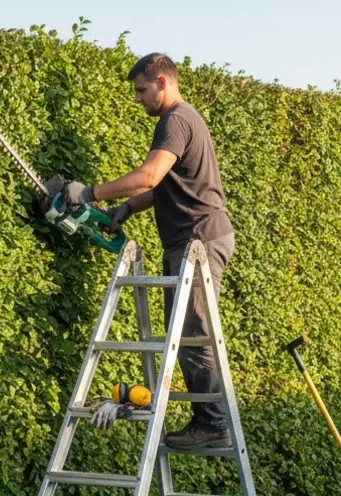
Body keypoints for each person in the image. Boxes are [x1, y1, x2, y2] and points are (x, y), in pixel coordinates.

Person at [62, 52, 235, 451]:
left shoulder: (175, 120)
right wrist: (123, 209)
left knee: (194, 335)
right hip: (192, 240)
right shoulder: (182, 119)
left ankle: (213, 425)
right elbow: (165, 188)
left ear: (161, 83)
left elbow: (149, 175)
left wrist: (88, 193)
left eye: (141, 90)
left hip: (199, 240)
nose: (137, 99)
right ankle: (208, 422)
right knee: (189, 331)